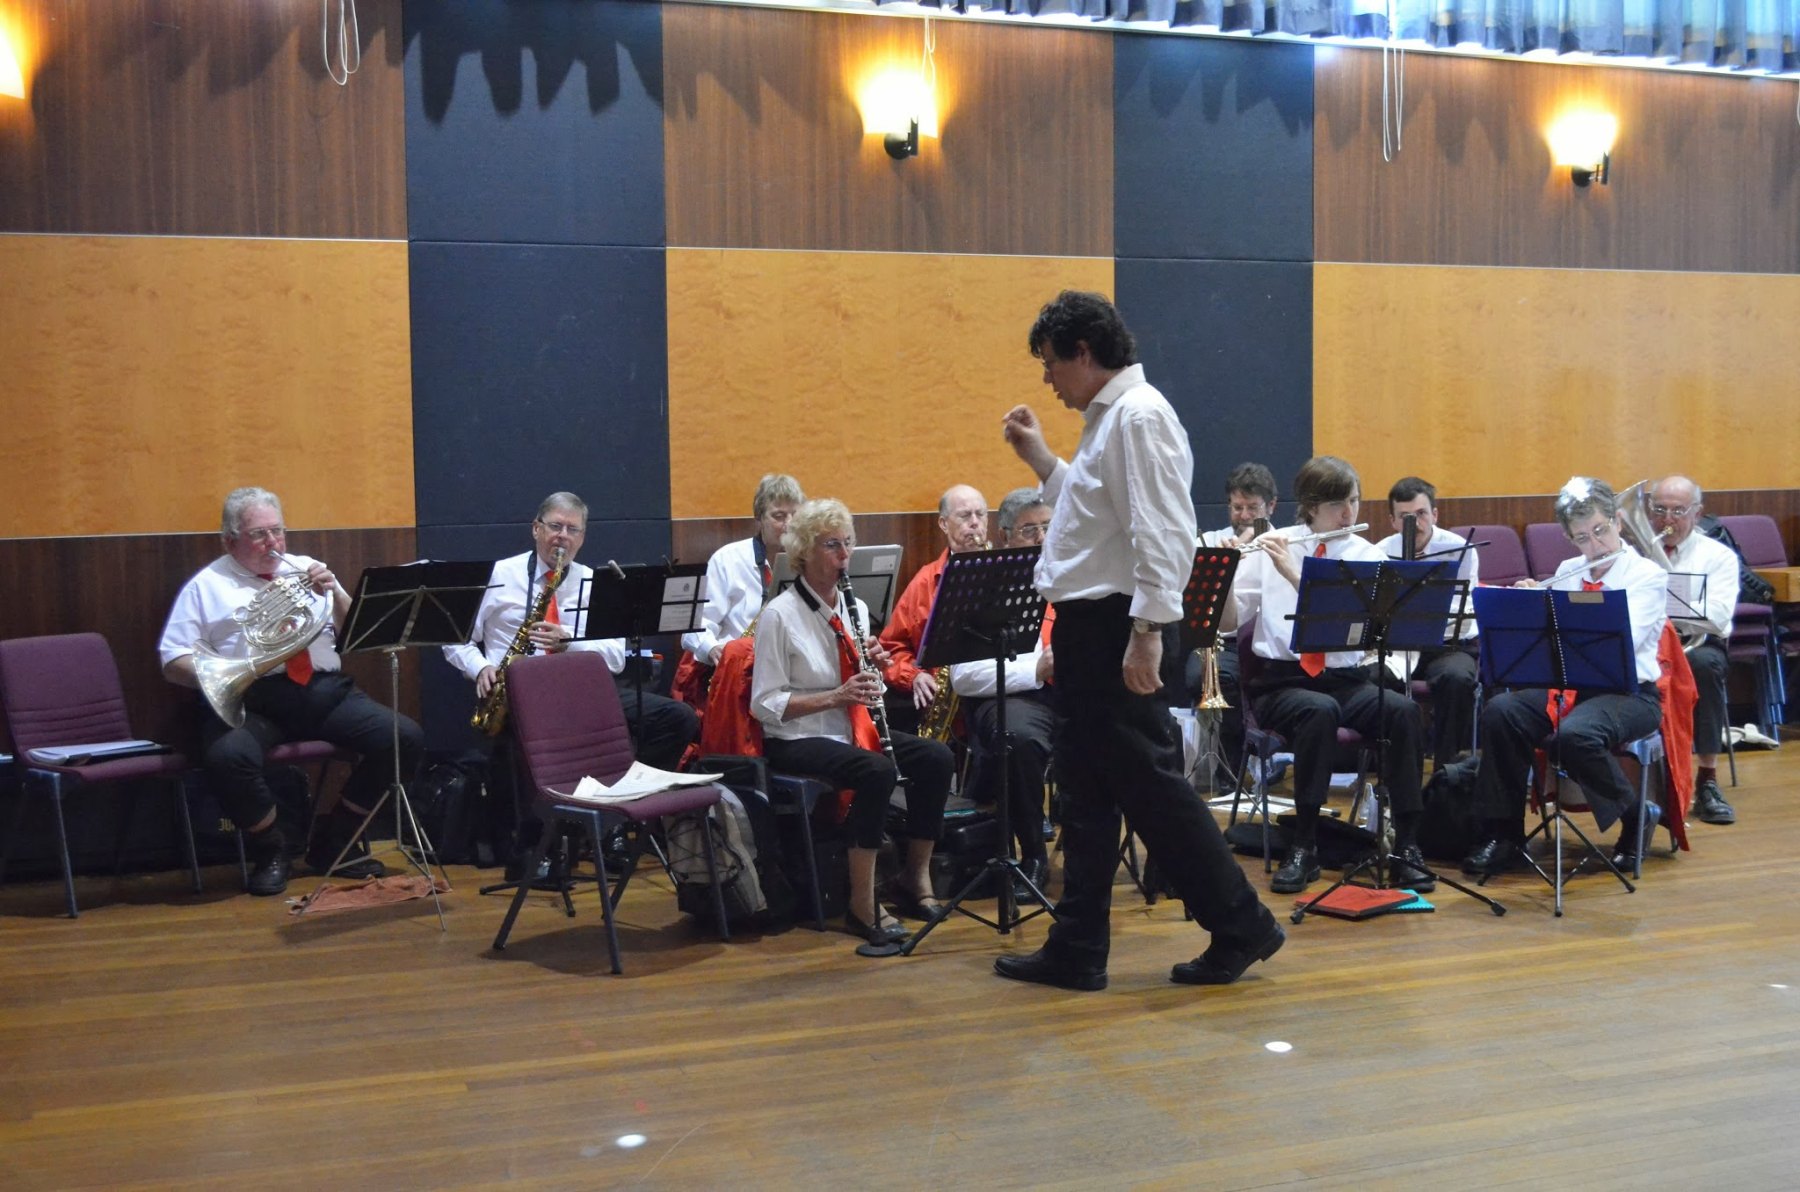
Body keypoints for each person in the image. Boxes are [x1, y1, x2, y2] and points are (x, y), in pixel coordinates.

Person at [995, 289, 1282, 991]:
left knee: (1150, 788)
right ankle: (1077, 946)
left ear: (1084, 352)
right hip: (1097, 625)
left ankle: (1241, 922)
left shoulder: (1139, 416)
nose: (1047, 379)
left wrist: (1148, 631)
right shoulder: (1113, 417)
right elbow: (1098, 514)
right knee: (1087, 793)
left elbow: (1163, 533)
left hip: (1119, 625)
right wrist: (1043, 460)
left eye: (1051, 362)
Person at [159, 487, 423, 896]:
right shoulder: (206, 586)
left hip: (323, 691)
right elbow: (172, 659)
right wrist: (222, 674)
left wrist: (336, 592)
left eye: (278, 531)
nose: (273, 543)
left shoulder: (307, 569)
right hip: (255, 700)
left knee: (403, 738)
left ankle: (336, 841)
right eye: (258, 534)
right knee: (227, 758)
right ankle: (271, 850)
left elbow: (358, 634)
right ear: (229, 540)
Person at [444, 493, 700, 866]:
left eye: (572, 529)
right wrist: (480, 667)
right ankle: (539, 844)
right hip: (519, 695)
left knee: (678, 718)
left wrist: (570, 643)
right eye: (555, 526)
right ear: (536, 529)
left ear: (582, 537)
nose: (562, 536)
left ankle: (615, 814)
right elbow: (455, 638)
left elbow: (615, 657)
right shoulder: (500, 575)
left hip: (582, 695)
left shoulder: (593, 581)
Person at [750, 498, 954, 949]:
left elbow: (862, 682)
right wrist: (836, 696)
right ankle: (862, 903)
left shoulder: (854, 606)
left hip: (848, 728)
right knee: (876, 770)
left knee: (936, 757)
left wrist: (876, 664)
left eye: (847, 543)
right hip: (796, 736)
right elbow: (764, 705)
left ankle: (914, 877)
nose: (844, 555)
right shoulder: (779, 615)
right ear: (804, 552)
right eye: (831, 545)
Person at [1233, 456, 1430, 894]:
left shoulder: (1367, 556)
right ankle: (1304, 846)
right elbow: (1230, 621)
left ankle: (1407, 845)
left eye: (1354, 501)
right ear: (1310, 506)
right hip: (1283, 682)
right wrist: (1227, 571)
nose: (1348, 513)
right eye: (1337, 504)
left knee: (1401, 712)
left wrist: (1295, 575)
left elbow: (1355, 625)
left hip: (1347, 679)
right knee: (1317, 711)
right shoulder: (1273, 545)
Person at [1462, 478, 1668, 876]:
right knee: (1501, 712)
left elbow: (1624, 641)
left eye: (1600, 530)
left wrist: (1568, 611)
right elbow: (1549, 641)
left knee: (1574, 735)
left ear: (1617, 522)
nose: (1595, 546)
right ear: (1569, 538)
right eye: (1582, 538)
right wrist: (1529, 605)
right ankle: (1503, 835)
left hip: (1630, 693)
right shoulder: (1567, 571)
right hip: (1570, 688)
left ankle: (1635, 814)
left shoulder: (1647, 575)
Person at [948, 487, 1056, 900]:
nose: (1042, 538)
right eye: (1030, 530)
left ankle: (1161, 863)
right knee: (1019, 739)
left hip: (1074, 694)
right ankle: (1033, 857)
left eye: (1048, 527)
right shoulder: (983, 584)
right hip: (1015, 698)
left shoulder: (1077, 577)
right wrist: (1036, 670)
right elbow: (963, 677)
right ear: (1007, 536)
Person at [1650, 475, 1738, 825]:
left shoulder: (1718, 556)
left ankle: (1707, 780)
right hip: (1647, 642)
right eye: (1659, 510)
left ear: (1697, 514)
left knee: (1703, 666)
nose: (1667, 520)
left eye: (1678, 511)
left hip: (1697, 643)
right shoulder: (1634, 554)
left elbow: (1718, 616)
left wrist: (1660, 601)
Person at [1375, 476, 1481, 768]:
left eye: (1421, 514)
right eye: (1405, 517)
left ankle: (1446, 771)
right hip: (1399, 646)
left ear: (1435, 514)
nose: (1415, 523)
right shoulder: (1380, 551)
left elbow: (1463, 606)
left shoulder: (1460, 549)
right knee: (1373, 678)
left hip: (1447, 644)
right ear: (1392, 521)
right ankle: (1394, 768)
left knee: (1457, 679)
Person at [1187, 462, 1280, 781]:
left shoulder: (1284, 542)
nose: (1243, 516)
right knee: (1201, 676)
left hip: (1270, 641)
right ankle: (1230, 773)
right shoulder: (1211, 541)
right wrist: (1223, 564)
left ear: (1271, 506)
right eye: (1237, 507)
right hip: (1224, 641)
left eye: (1252, 507)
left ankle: (1266, 757)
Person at [877, 484, 991, 735]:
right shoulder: (924, 581)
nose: (975, 522)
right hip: (941, 705)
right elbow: (891, 648)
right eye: (965, 515)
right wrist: (914, 676)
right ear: (943, 524)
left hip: (992, 698)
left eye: (980, 514)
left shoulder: (1004, 573)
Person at [681, 473, 804, 668]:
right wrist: (711, 648)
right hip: (739, 668)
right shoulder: (727, 559)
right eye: (779, 516)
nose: (789, 524)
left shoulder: (809, 561)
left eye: (795, 515)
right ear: (759, 518)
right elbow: (696, 626)